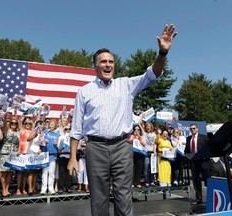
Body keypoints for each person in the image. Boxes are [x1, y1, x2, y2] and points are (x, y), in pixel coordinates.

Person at [67, 24, 177, 216]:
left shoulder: (126, 85)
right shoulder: (84, 92)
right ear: (95, 67)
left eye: (111, 61)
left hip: (121, 147)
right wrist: (72, 157)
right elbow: (76, 128)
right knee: (98, 198)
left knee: (124, 196)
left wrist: (162, 53)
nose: (108, 65)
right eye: (103, 62)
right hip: (95, 148)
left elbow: (153, 74)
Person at [185, 124, 212, 205]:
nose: (192, 130)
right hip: (194, 162)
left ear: (197, 129)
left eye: (193, 128)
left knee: (207, 180)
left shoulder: (204, 137)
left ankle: (211, 198)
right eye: (191, 129)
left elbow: (208, 149)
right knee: (196, 181)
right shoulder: (188, 138)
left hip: (204, 161)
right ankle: (198, 199)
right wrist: (187, 156)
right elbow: (186, 150)